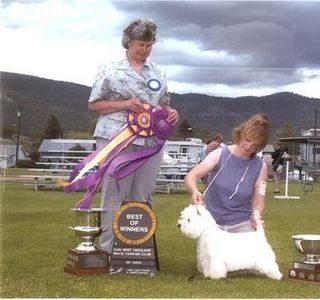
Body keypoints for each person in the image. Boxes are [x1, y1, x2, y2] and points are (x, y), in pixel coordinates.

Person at [88, 18, 179, 253]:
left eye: (149, 45)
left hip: (150, 142)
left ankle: (137, 249)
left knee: (143, 194)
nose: (145, 50)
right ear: (128, 42)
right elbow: (95, 105)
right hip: (116, 138)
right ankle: (108, 250)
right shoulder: (109, 69)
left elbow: (163, 104)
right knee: (114, 193)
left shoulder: (158, 72)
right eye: (141, 44)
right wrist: (125, 103)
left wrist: (170, 114)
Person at [185, 114, 270, 233]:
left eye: (255, 144)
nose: (249, 146)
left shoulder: (261, 167)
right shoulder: (219, 154)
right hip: (211, 223)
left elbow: (259, 199)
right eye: (248, 139)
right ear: (241, 134)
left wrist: (256, 214)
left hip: (242, 224)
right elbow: (191, 176)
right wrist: (194, 191)